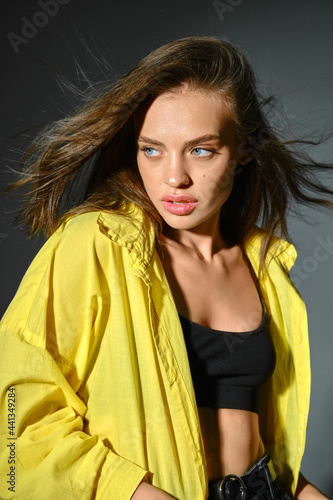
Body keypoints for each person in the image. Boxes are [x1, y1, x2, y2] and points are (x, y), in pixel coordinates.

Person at [0, 36, 332, 500]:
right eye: (151, 150)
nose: (173, 177)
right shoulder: (98, 243)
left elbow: (270, 443)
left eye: (200, 150)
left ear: (244, 151)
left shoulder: (265, 266)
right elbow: (16, 413)